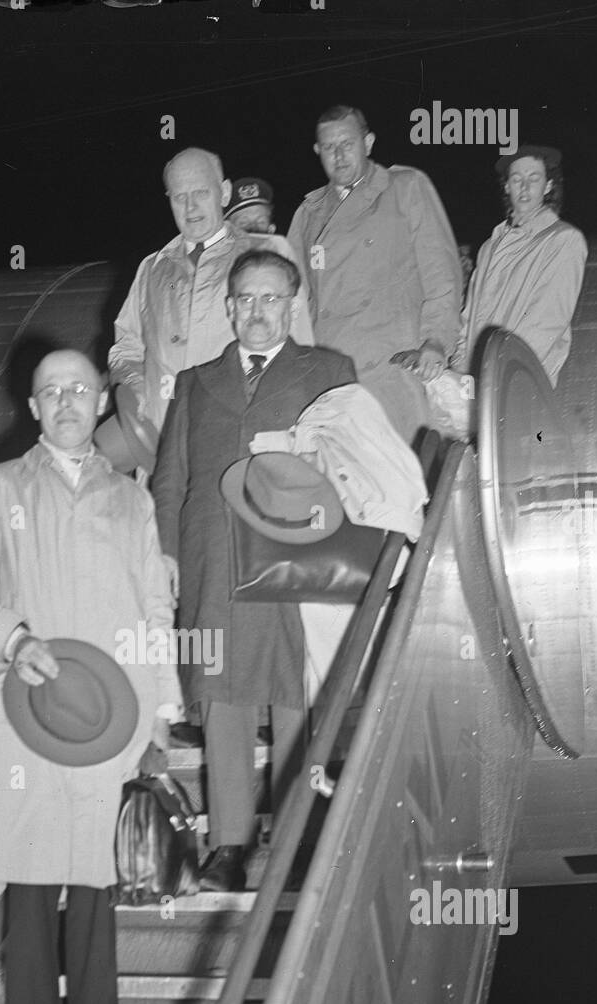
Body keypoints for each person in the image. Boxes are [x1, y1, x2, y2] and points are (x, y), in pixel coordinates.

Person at [0, 350, 181, 1004]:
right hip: (25, 704)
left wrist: (163, 706)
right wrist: (14, 640)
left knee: (99, 872)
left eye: (79, 388)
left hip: (110, 709)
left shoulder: (133, 500)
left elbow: (154, 608)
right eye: (52, 392)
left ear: (103, 401)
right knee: (32, 869)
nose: (67, 401)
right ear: (34, 408)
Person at [151, 248, 356, 894]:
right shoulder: (194, 382)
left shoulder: (330, 372)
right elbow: (168, 481)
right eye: (246, 299)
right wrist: (166, 556)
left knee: (297, 697)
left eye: (271, 298)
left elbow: (353, 467)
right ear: (230, 306)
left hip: (295, 556)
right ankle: (229, 847)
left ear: (291, 305)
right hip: (213, 561)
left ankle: (298, 839)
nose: (258, 311)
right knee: (223, 701)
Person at [108, 147, 313, 449]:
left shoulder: (268, 252)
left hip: (242, 442)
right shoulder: (152, 269)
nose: (191, 208)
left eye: (201, 192)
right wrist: (134, 385)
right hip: (164, 444)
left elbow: (302, 353)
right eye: (179, 197)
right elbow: (126, 348)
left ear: (225, 193)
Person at [287, 104, 462, 446]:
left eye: (347, 144)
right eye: (328, 147)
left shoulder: (405, 187)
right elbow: (296, 302)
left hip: (395, 370)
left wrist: (437, 340)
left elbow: (441, 274)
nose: (338, 155)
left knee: (405, 485)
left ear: (368, 142)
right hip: (333, 380)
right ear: (317, 151)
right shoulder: (308, 214)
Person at [449, 145, 587, 387]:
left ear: (548, 186)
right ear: (506, 186)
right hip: (478, 383)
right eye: (516, 179)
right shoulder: (489, 247)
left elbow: (546, 322)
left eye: (534, 178)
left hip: (518, 383)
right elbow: (468, 320)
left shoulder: (563, 240)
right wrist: (461, 370)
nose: (524, 187)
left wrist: (498, 375)